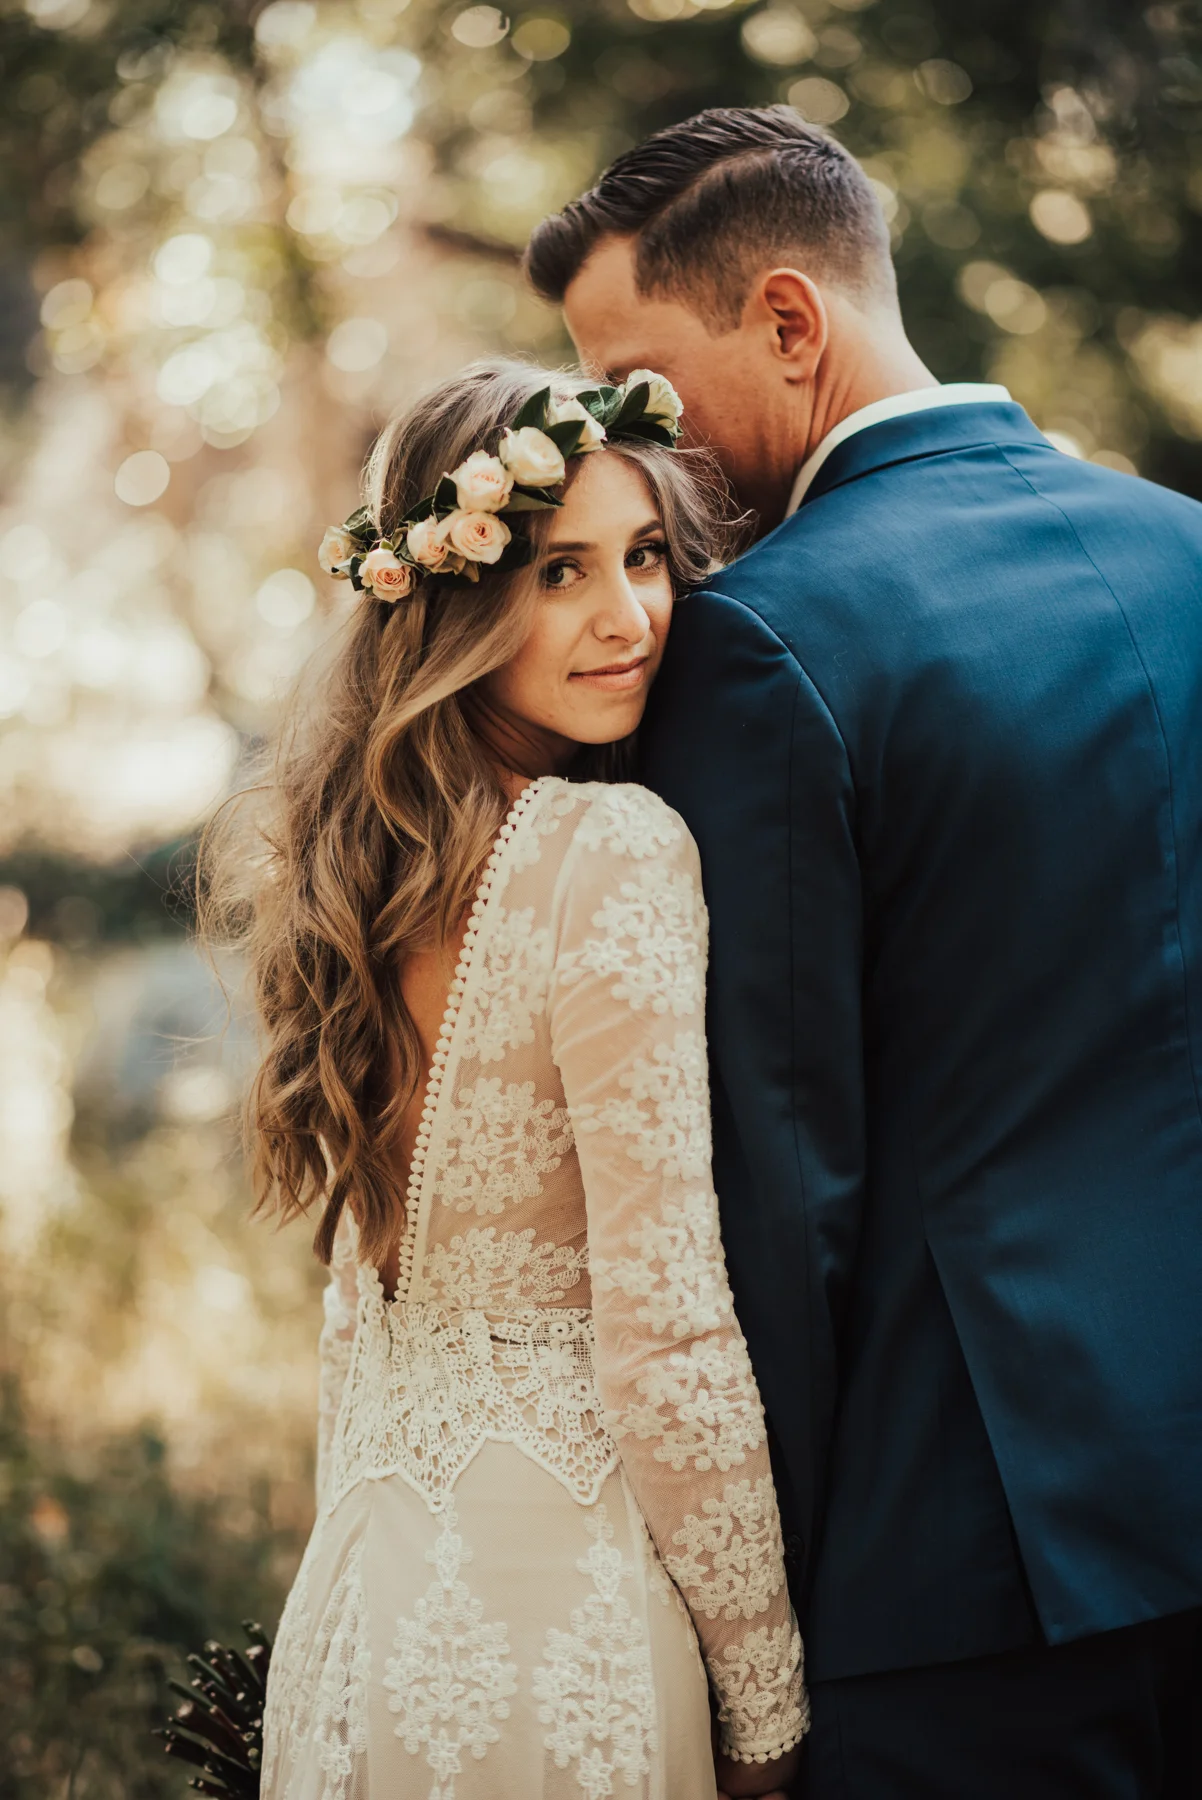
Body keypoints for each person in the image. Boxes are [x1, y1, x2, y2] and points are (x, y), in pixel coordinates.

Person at [526, 105, 1202, 1797]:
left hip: (966, 1567)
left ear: (784, 320)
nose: (630, 445)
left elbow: (774, 1177)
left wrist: (756, 1635)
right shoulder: (1188, 550)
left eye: (641, 387)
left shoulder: (762, 642)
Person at [206, 358, 808, 1799]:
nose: (630, 618)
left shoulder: (349, 872)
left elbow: (354, 1331)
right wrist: (766, 1700)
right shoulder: (612, 856)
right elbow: (664, 1338)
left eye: (649, 557)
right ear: (460, 597)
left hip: (361, 1612)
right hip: (562, 1621)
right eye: (559, 574)